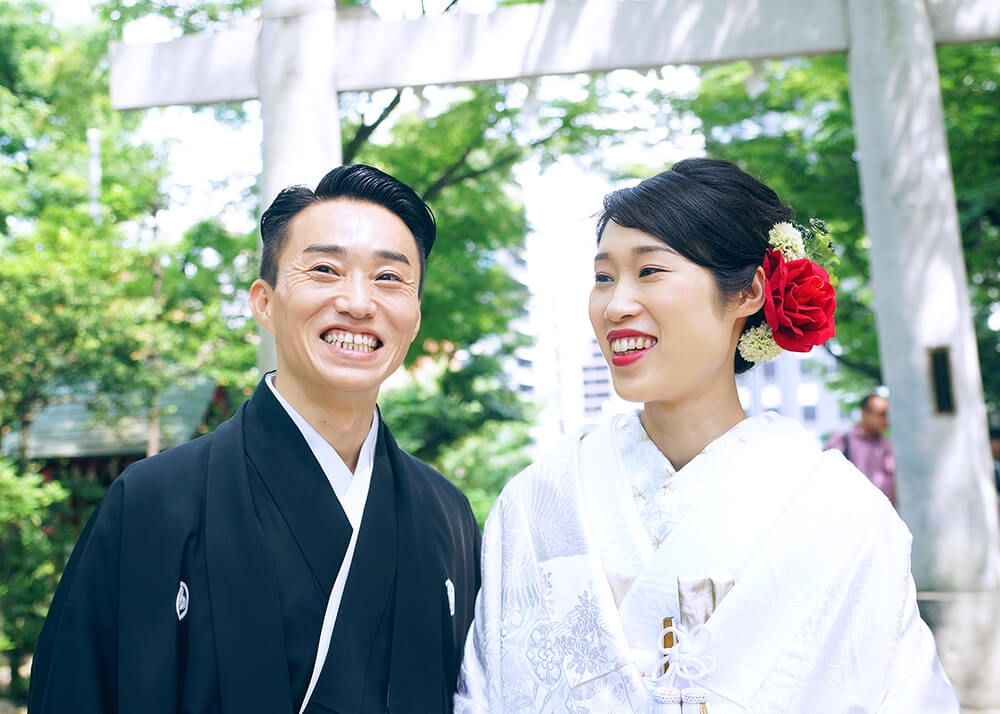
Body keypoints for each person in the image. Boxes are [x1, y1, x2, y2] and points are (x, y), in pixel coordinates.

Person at [455, 158, 956, 713]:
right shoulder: (539, 500)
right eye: (603, 277)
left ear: (748, 293)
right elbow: (486, 691)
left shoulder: (841, 514)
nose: (616, 304)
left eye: (650, 271)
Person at [29, 164, 481, 714]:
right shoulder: (154, 502)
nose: (359, 303)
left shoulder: (447, 515)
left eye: (389, 278)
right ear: (264, 302)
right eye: (325, 269)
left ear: (413, 316)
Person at [826, 392, 896, 505]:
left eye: (887, 414)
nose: (886, 420)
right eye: (881, 414)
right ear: (864, 413)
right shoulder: (842, 442)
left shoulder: (887, 444)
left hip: (884, 516)